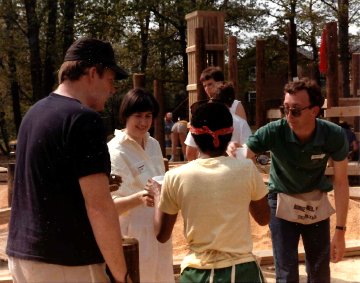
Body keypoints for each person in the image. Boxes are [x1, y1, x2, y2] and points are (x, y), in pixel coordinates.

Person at [6, 38, 130, 282]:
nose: (113, 89)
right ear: (92, 73)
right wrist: (121, 275)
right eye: (110, 79)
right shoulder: (84, 119)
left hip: (23, 257)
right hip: (67, 263)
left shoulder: (34, 113)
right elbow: (100, 207)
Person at [229, 78, 349, 282]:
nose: (289, 115)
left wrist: (340, 231)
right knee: (286, 272)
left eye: (296, 110)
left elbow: (341, 182)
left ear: (314, 110)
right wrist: (232, 148)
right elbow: (244, 152)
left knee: (320, 272)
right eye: (285, 109)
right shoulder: (274, 130)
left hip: (315, 200)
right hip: (282, 199)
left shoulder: (333, 135)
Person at [146, 102, 270, 283]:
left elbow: (161, 235)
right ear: (230, 135)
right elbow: (263, 218)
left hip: (197, 273)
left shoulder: (175, 177)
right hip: (242, 271)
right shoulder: (246, 169)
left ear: (193, 138)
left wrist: (158, 195)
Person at [108, 88, 175, 283]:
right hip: (133, 229)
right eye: (138, 116)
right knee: (141, 276)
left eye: (148, 116)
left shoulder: (153, 143)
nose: (144, 122)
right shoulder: (115, 150)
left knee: (162, 275)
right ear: (125, 116)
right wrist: (140, 198)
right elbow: (114, 203)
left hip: (159, 223)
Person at [185, 82, 252, 161]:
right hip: (232, 171)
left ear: (212, 98)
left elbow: (190, 153)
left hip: (203, 170)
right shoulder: (241, 123)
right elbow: (249, 155)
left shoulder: (201, 119)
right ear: (232, 102)